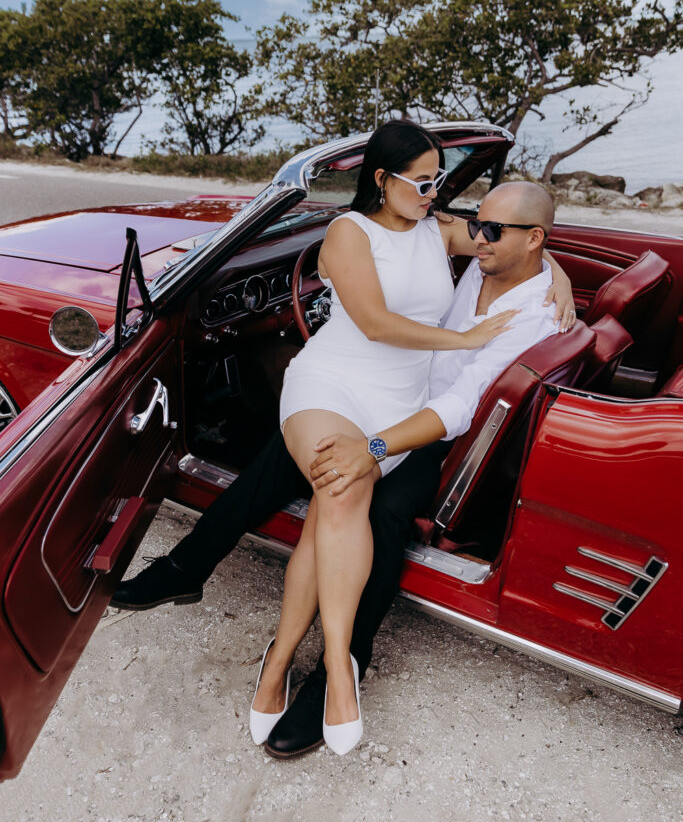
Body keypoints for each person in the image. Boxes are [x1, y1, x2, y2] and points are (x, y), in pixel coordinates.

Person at [112, 135, 573, 757]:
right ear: (385, 180)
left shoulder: (519, 292)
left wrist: (377, 446)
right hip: (370, 384)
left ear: (532, 239)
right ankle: (211, 587)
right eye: (429, 185)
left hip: (428, 421)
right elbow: (404, 303)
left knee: (362, 500)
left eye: (443, 186)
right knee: (309, 462)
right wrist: (540, 261)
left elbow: (460, 404)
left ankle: (338, 662)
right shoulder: (457, 241)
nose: (475, 231)